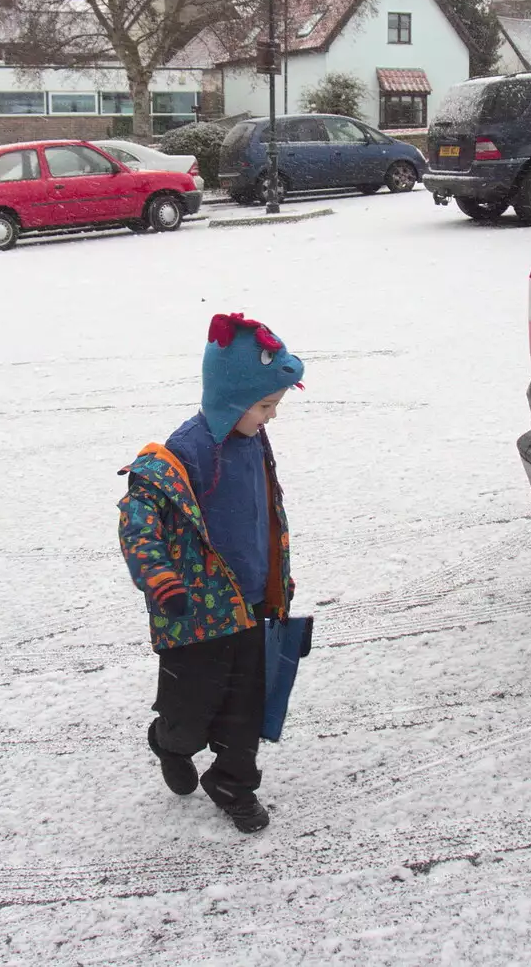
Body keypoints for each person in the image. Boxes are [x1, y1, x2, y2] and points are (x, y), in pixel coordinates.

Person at [117, 313, 305, 833]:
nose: (271, 416)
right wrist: (159, 579)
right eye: (265, 405)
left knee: (247, 706)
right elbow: (138, 519)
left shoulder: (251, 440)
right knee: (190, 710)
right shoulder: (185, 452)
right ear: (231, 398)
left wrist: (277, 580)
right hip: (192, 615)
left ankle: (231, 779)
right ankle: (168, 741)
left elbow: (260, 514)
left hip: (248, 606)